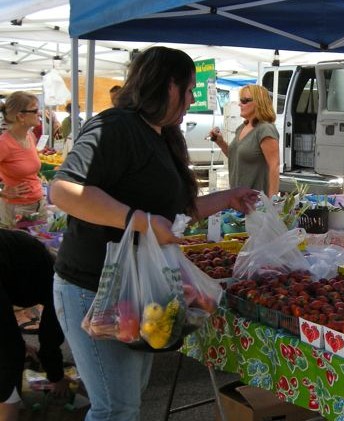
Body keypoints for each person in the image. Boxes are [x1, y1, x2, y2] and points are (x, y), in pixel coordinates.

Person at [50, 46, 259, 421]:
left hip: (140, 289)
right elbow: (64, 190)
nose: (192, 99)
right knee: (116, 407)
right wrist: (141, 220)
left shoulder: (162, 136)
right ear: (166, 84)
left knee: (129, 399)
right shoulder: (115, 127)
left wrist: (228, 197)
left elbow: (174, 214)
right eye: (189, 89)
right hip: (94, 287)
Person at [0, 228, 70, 421]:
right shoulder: (54, 282)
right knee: (9, 357)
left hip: (20, 262)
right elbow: (49, 338)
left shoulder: (41, 270)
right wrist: (57, 377)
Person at [208, 85, 280, 197]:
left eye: (244, 100)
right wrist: (220, 142)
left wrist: (272, 201)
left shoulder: (265, 129)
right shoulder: (241, 127)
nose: (239, 104)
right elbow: (235, 156)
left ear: (259, 103)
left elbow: (274, 166)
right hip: (239, 200)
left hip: (257, 203)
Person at [0, 92, 47, 229]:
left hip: (38, 204)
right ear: (21, 116)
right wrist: (3, 192)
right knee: (21, 249)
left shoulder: (30, 136)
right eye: (35, 110)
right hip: (17, 210)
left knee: (39, 248)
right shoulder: (4, 143)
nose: (39, 114)